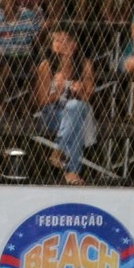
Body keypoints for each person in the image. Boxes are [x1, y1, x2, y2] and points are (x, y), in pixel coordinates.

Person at [35, 28, 96, 185]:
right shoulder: (46, 66)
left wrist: (80, 89)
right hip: (51, 114)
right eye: (57, 40)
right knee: (76, 118)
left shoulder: (85, 65)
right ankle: (72, 169)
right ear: (51, 45)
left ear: (74, 44)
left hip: (75, 114)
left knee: (76, 107)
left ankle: (62, 154)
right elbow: (40, 101)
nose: (62, 44)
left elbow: (89, 97)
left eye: (66, 40)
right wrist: (58, 91)